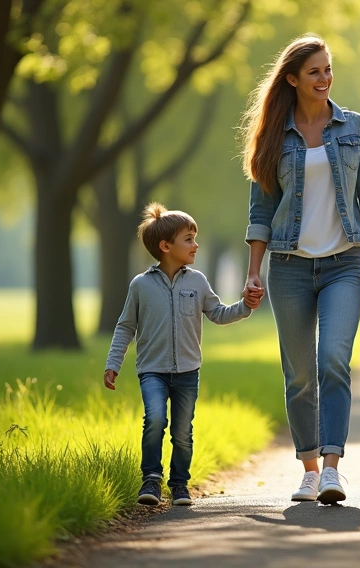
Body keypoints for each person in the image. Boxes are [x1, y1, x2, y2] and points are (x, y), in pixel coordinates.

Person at [240, 35, 360, 505]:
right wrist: (253, 271)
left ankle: (331, 469)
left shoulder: (355, 127)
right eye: (315, 72)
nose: (325, 78)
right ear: (292, 79)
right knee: (300, 372)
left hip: (344, 262)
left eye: (328, 69)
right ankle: (307, 469)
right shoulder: (273, 135)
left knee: (333, 361)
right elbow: (261, 211)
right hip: (288, 268)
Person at [103, 203, 259, 507]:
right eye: (188, 238)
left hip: (188, 371)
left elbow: (217, 313)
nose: (195, 244)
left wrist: (246, 306)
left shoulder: (198, 281)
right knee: (155, 419)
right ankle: (150, 479)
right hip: (152, 370)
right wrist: (113, 364)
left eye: (195, 237)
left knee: (182, 432)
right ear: (165, 246)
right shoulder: (141, 285)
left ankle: (179, 485)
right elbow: (125, 327)